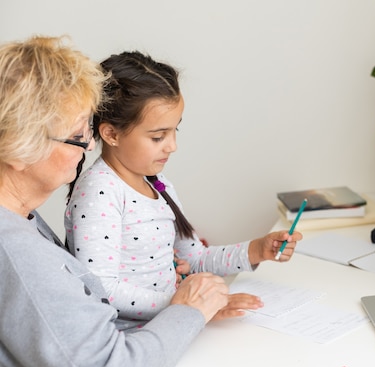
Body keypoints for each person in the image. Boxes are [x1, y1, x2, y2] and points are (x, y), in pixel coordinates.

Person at [0, 35, 293, 367]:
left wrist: (198, 294)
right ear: (16, 148)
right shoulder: (18, 249)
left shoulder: (24, 220)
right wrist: (184, 309)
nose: (88, 148)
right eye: (76, 137)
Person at [64, 50, 302, 329]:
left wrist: (256, 250)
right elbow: (102, 287)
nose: (172, 145)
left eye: (175, 130)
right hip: (130, 339)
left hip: (170, 325)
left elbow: (195, 259)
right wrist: (185, 304)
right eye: (158, 136)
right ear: (111, 134)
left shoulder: (157, 183)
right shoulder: (100, 192)